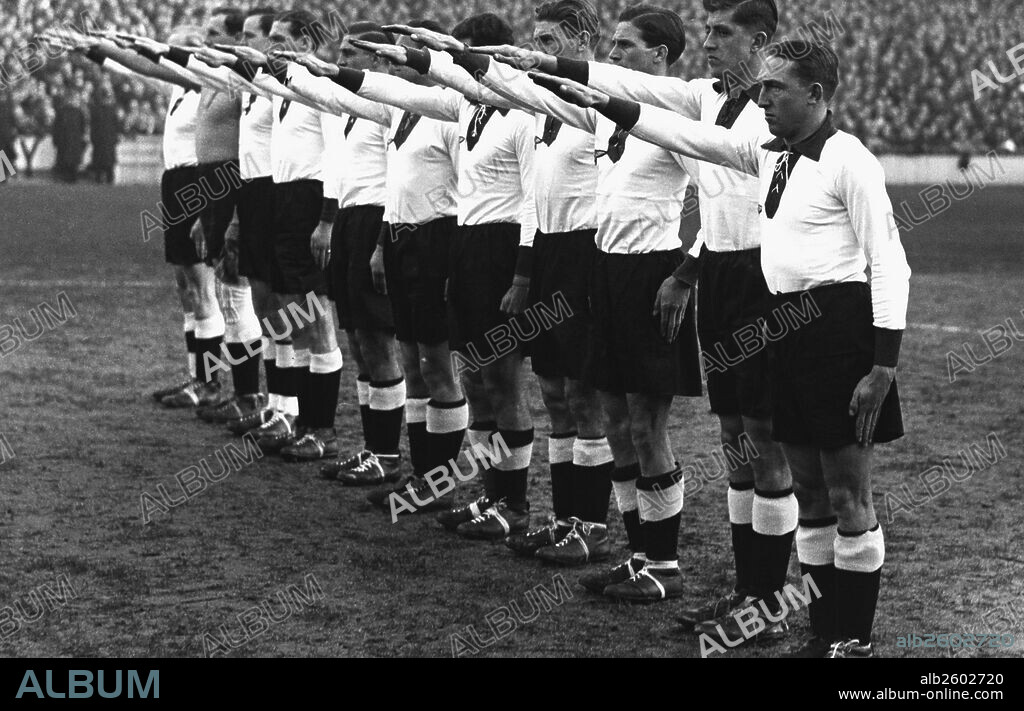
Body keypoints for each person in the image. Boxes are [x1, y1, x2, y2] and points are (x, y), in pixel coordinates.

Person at [548, 39, 910, 657]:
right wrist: (610, 102)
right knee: (809, 490)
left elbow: (890, 263)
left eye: (777, 90)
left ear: (817, 95)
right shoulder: (772, 156)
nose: (762, 99)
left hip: (837, 335)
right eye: (762, 88)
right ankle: (823, 630)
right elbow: (692, 138)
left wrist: (882, 366)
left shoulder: (850, 160)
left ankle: (854, 640)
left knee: (849, 492)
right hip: (783, 332)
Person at [88, 77, 119, 183]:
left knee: (105, 160)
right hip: (104, 138)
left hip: (105, 138)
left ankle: (105, 178)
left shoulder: (108, 110)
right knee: (103, 160)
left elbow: (115, 125)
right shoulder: (99, 109)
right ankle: (103, 178)